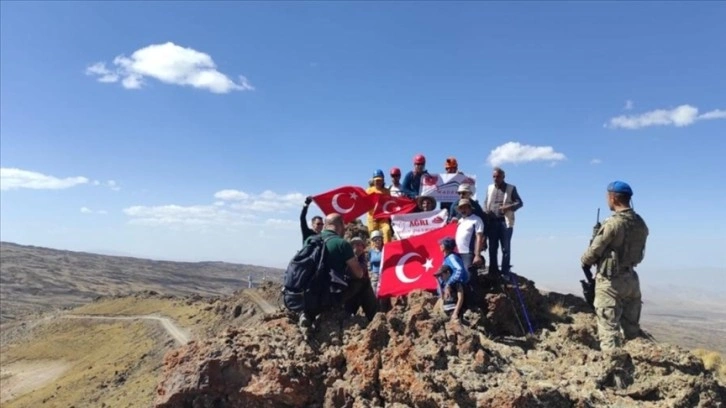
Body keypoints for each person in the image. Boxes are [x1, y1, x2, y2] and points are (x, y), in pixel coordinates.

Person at [581, 181, 649, 352]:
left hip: (611, 282)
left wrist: (584, 261)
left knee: (609, 333)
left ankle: (615, 373)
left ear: (613, 198)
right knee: (632, 331)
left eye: (607, 197)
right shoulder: (640, 222)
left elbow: (594, 251)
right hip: (632, 280)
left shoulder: (613, 223)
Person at [301, 214, 376, 326]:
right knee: (363, 282)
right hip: (329, 298)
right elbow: (359, 274)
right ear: (341, 225)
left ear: (326, 225)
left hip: (309, 296)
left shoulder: (310, 240)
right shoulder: (342, 243)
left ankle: (309, 314)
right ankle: (374, 319)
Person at [483, 167, 523, 278]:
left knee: (505, 248)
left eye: (498, 176)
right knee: (492, 248)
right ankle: (493, 271)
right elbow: (486, 202)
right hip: (492, 222)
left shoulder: (511, 188)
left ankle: (505, 272)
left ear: (503, 177)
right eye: (494, 176)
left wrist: (508, 207)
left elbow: (520, 203)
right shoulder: (490, 188)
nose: (496, 179)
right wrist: (485, 211)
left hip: (505, 222)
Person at [454, 198, 486, 283]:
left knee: (469, 276)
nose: (463, 210)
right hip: (457, 253)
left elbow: (479, 237)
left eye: (465, 207)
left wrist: (477, 255)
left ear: (470, 208)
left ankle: (474, 296)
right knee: (459, 276)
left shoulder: (476, 220)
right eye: (461, 208)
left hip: (469, 253)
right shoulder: (460, 221)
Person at [366, 169, 393, 243]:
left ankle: (387, 250)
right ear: (373, 180)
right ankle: (375, 253)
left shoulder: (387, 191)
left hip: (383, 217)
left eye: (380, 180)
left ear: (383, 180)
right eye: (376, 180)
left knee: (387, 230)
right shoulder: (368, 191)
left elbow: (390, 203)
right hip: (372, 217)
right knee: (374, 236)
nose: (378, 182)